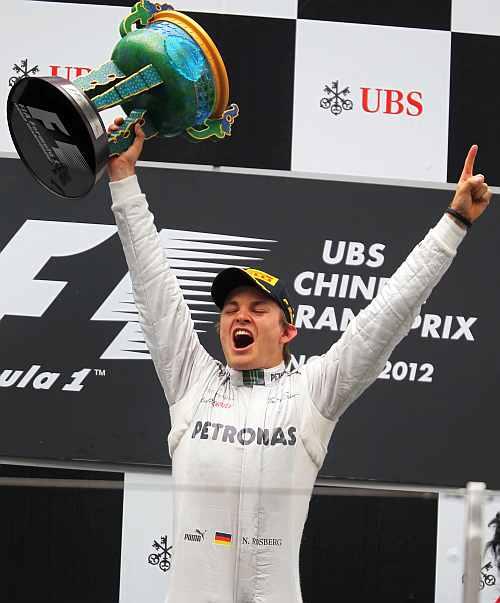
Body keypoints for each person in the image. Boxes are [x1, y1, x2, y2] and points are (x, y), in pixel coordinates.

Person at [107, 118, 492, 602]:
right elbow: (152, 282)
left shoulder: (313, 390)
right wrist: (123, 179)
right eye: (229, 310)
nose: (237, 317)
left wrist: (453, 226)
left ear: (287, 330)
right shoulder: (191, 379)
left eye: (255, 308)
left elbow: (388, 313)